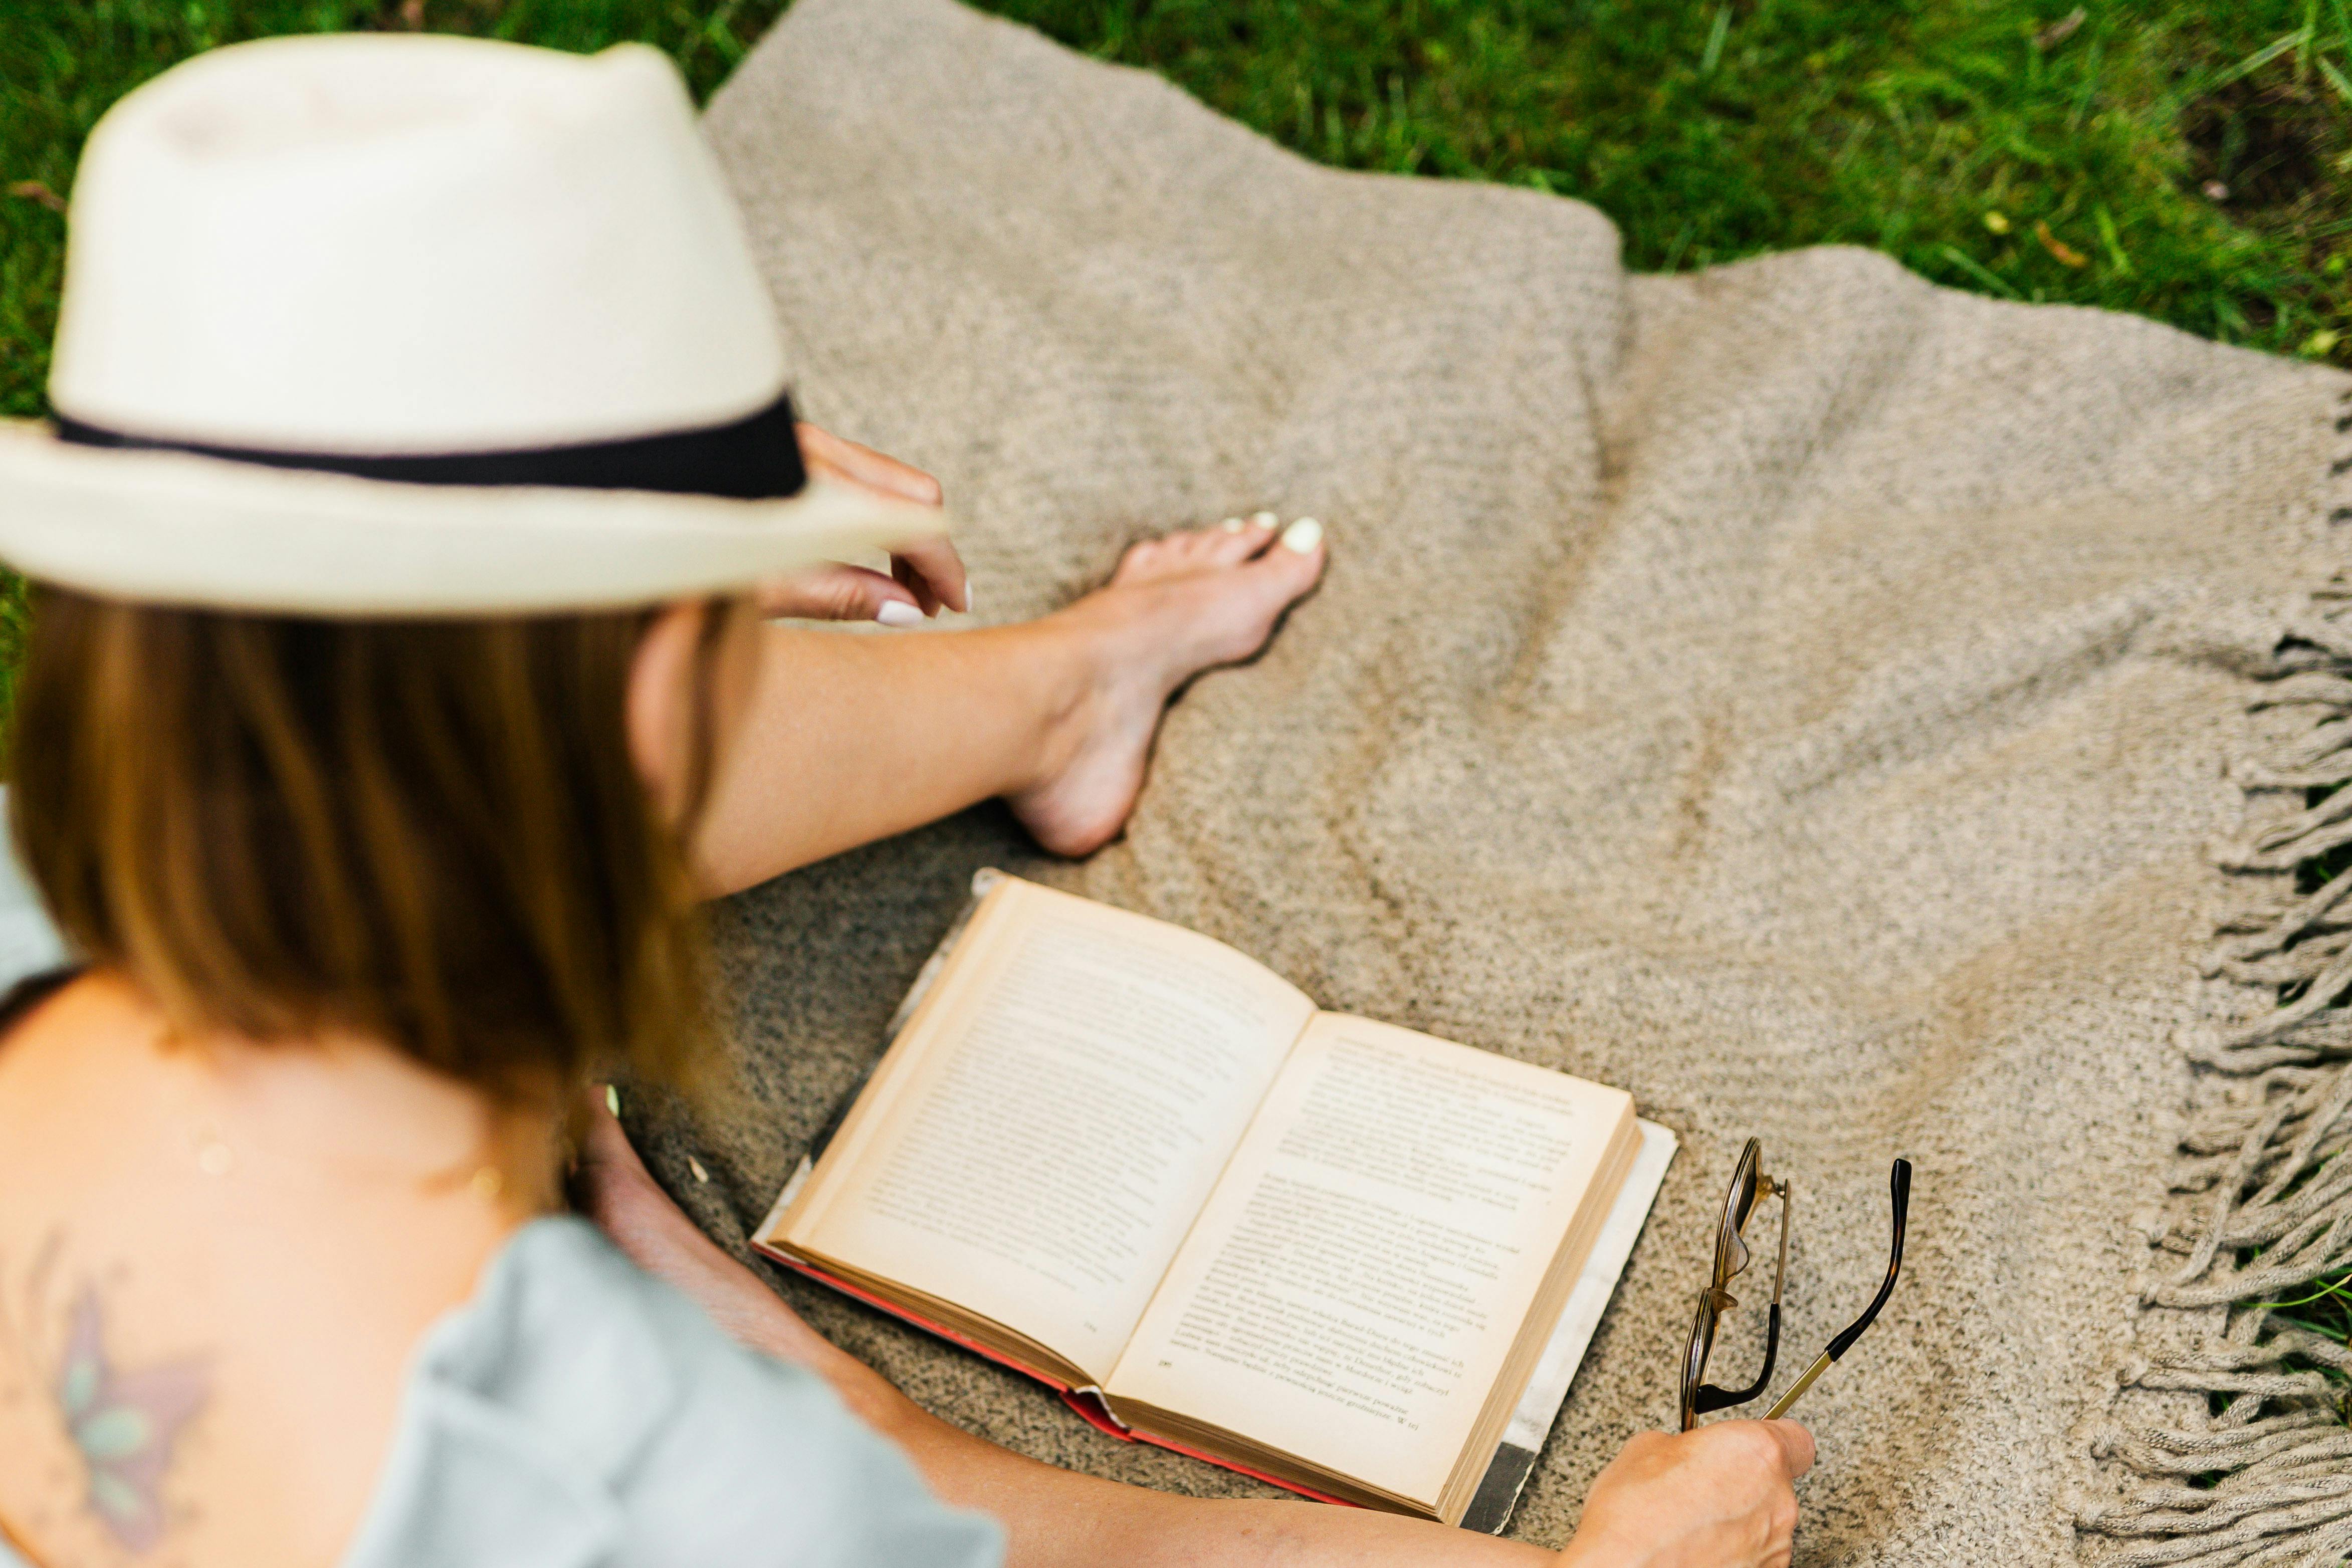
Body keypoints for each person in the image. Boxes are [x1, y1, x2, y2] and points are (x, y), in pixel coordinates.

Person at [0, 33, 1812, 1568]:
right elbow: (936, 1517)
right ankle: (1049, 684)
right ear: (652, 699)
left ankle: (1061, 691)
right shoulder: (686, 1493)